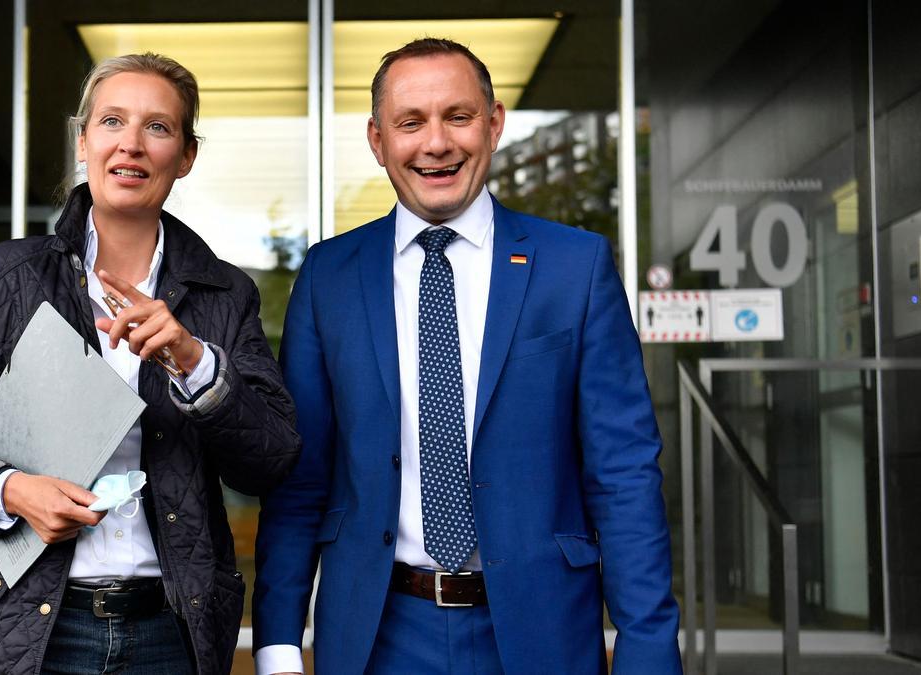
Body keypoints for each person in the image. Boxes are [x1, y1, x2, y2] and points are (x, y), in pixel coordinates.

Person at [252, 38, 680, 674]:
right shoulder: (329, 276)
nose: (436, 143)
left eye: (458, 116)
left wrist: (647, 652)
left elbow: (623, 474)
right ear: (377, 141)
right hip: (376, 637)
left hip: (541, 633)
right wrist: (279, 645)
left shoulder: (575, 267)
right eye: (410, 122)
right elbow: (301, 477)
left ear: (494, 123)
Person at [0, 53, 300, 675]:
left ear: (185, 156)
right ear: (84, 141)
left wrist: (194, 365)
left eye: (157, 128)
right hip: (10, 618)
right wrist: (11, 490)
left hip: (169, 625)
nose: (131, 144)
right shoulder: (1, 279)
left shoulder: (224, 295)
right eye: (112, 121)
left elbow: (270, 461)